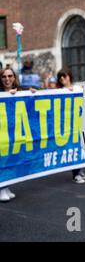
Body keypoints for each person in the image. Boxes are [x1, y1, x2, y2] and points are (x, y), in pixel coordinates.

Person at [56, 68, 85, 184]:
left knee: (80, 147)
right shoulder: (58, 91)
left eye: (64, 76)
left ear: (69, 76)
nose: (62, 79)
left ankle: (80, 170)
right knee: (72, 148)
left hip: (79, 123)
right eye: (60, 78)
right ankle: (75, 174)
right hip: (67, 126)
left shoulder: (78, 88)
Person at [0, 67, 21, 202]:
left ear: (14, 78)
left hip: (14, 133)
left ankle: (6, 186)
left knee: (10, 160)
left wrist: (33, 94)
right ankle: (1, 189)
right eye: (4, 76)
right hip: (2, 133)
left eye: (10, 76)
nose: (7, 79)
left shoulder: (20, 92)